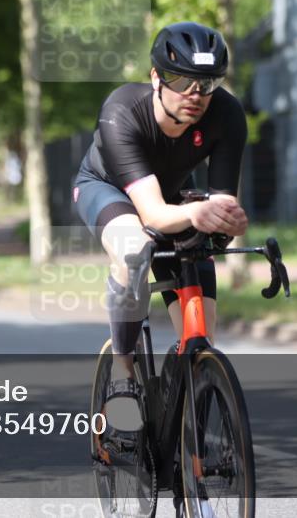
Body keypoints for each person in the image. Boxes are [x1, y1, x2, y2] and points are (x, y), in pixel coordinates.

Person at [73, 22, 248, 446]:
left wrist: (226, 224)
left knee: (201, 334)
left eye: (207, 84)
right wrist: (200, 212)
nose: (195, 94)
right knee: (135, 248)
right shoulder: (122, 111)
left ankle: (187, 429)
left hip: (175, 200)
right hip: (110, 190)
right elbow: (151, 213)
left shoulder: (226, 114)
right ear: (156, 77)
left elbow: (220, 206)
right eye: (181, 80)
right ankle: (122, 371)